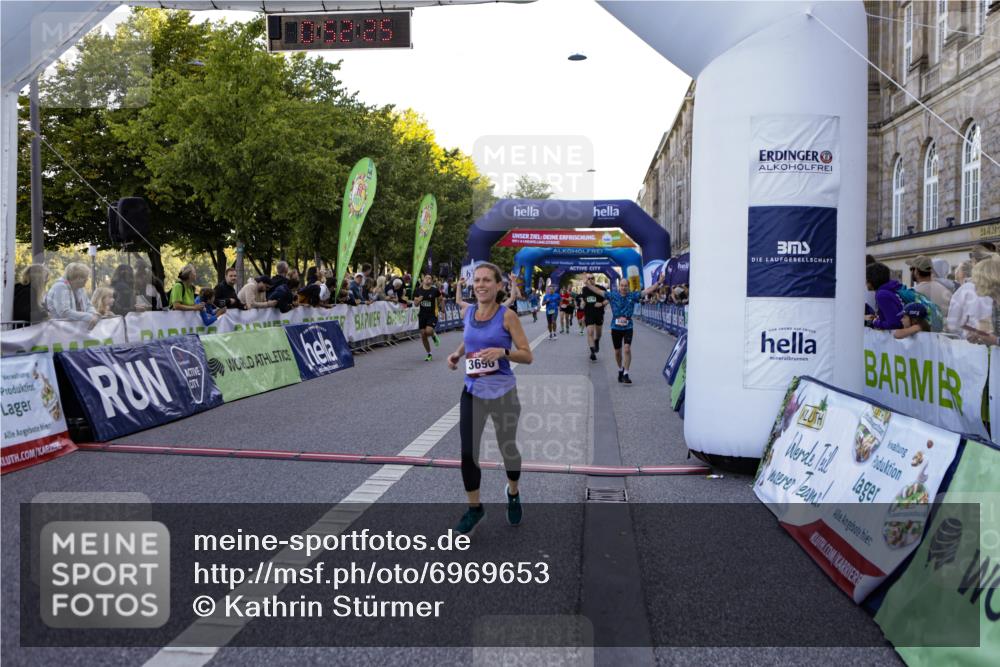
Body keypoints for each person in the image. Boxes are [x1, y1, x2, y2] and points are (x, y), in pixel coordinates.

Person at [446, 262, 533, 536]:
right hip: (472, 391)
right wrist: (458, 354)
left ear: (498, 286)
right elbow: (470, 339)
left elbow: (527, 355)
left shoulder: (508, 316)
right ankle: (475, 508)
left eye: (487, 280)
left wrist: (503, 353)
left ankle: (514, 492)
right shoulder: (468, 311)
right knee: (467, 452)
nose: (481, 285)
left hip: (503, 392)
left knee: (507, 448)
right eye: (477, 280)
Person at [585, 273, 665, 383]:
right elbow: (598, 291)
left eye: (625, 286)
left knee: (627, 349)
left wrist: (659, 282)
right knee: (618, 352)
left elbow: (647, 290)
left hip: (628, 327)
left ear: (628, 286)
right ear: (619, 287)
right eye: (622, 285)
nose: (623, 288)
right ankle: (620, 369)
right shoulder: (613, 295)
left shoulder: (633, 296)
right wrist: (587, 284)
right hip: (616, 328)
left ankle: (626, 373)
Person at [947, 260, 993, 337]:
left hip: (969, 340)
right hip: (990, 339)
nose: (956, 273)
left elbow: (952, 324)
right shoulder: (986, 287)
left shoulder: (962, 290)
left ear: (962, 274)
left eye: (957, 271)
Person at [45, 262, 99, 328]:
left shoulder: (80, 289)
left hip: (73, 330)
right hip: (59, 329)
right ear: (77, 278)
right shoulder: (60, 287)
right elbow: (64, 312)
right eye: (85, 277)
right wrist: (89, 317)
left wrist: (94, 314)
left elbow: (88, 305)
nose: (87, 279)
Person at [966, 256, 1000, 346]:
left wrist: (995, 340)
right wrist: (981, 336)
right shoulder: (995, 302)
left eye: (977, 279)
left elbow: (996, 339)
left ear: (987, 279)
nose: (974, 283)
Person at [413, 273, 443, 361]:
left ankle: (433, 335)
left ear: (431, 281)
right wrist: (419, 300)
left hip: (432, 314)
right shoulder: (418, 290)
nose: (428, 279)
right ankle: (429, 354)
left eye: (430, 278)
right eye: (426, 278)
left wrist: (443, 309)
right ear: (423, 280)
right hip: (422, 315)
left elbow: (441, 299)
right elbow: (415, 304)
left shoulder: (435, 290)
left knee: (428, 331)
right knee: (423, 334)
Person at [864, 262, 903, 330]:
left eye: (866, 279)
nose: (865, 282)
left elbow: (894, 324)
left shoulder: (882, 295)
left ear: (872, 279)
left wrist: (875, 322)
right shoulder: (890, 289)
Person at [581, 275, 608, 360]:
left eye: (591, 278)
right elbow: (584, 299)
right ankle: (592, 352)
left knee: (598, 334)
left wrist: (602, 304)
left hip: (599, 313)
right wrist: (582, 304)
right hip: (588, 313)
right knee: (590, 332)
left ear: (594, 279)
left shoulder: (601, 288)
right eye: (588, 278)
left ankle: (597, 341)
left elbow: (608, 299)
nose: (590, 280)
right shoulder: (585, 289)